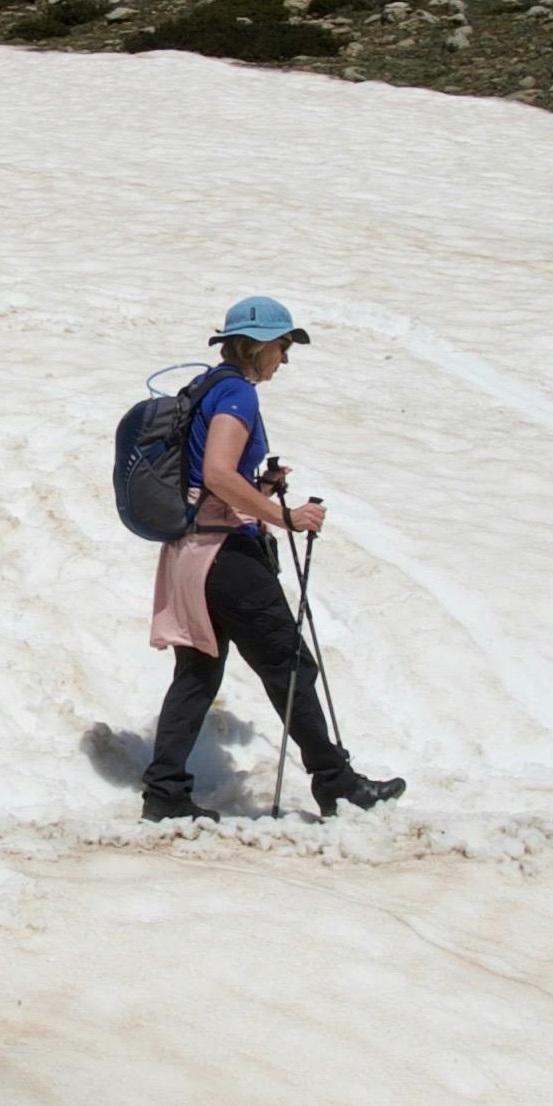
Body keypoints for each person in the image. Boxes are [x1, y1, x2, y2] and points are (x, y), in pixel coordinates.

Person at [143, 296, 404, 822]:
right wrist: (286, 517)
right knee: (290, 665)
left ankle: (165, 793)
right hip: (225, 554)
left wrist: (259, 489)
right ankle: (338, 785)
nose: (285, 359)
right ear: (259, 344)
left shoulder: (209, 387)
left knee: (197, 674)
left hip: (192, 551)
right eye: (283, 346)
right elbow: (218, 474)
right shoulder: (237, 393)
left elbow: (207, 478)